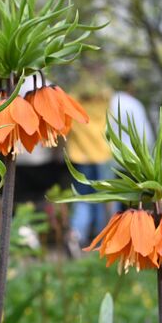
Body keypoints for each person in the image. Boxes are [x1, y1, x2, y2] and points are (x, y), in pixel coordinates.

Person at [66, 70, 113, 249]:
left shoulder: (73, 99)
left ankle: (77, 236)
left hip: (80, 154)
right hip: (103, 153)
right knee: (105, 197)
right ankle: (105, 238)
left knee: (82, 197)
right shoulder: (105, 97)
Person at [108, 73, 154, 150]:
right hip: (131, 154)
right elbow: (145, 135)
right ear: (130, 85)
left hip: (108, 152)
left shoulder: (107, 102)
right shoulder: (134, 104)